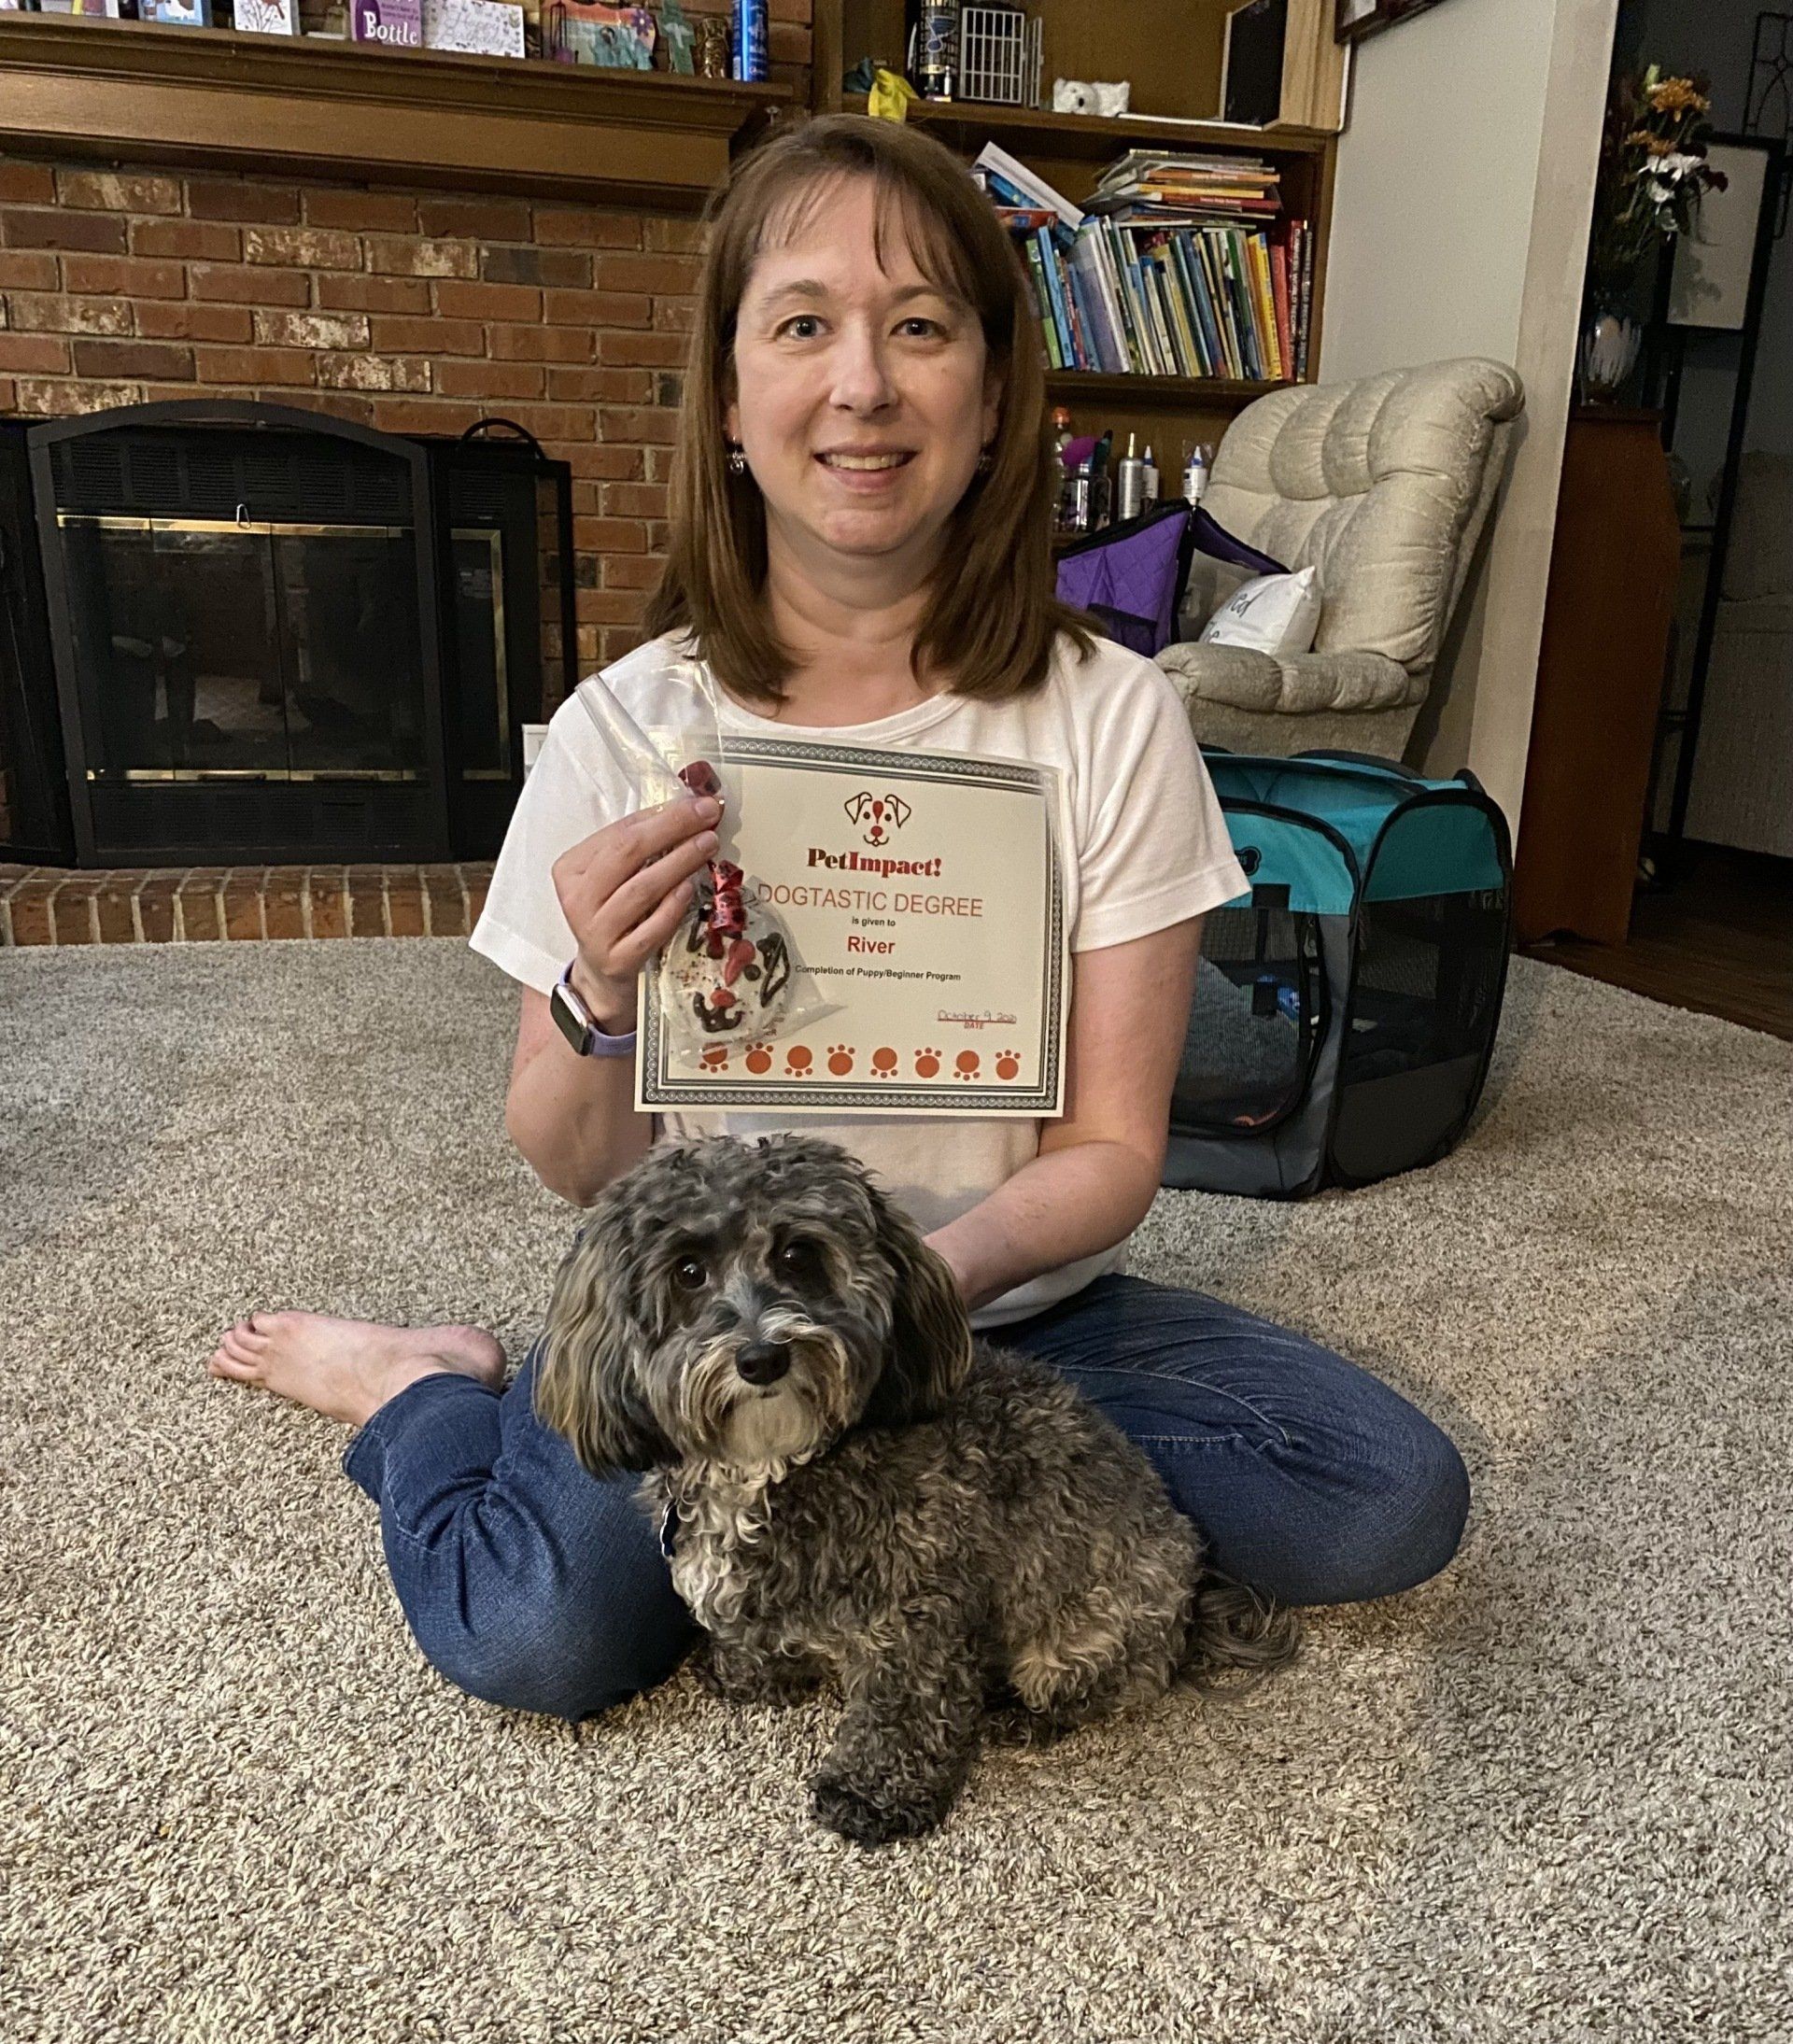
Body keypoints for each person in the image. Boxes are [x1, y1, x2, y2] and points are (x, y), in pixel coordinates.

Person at [207, 115, 1469, 1723]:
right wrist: (601, 990)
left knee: (1382, 1497)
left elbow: (1109, 1155)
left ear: (995, 394)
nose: (864, 385)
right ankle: (424, 1389)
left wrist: (901, 1305)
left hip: (994, 1322)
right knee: (539, 1636)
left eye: (922, 326)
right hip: (710, 1317)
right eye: (803, 325)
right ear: (731, 400)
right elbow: (574, 1161)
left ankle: (899, 1492)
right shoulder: (624, 727)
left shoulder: (1110, 719)